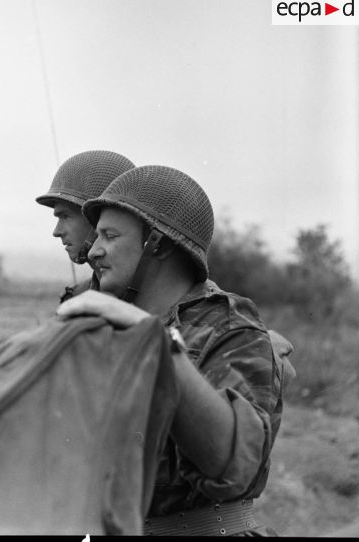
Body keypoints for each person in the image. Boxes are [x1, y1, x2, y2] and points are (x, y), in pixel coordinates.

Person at [57, 165, 295, 536]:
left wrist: (158, 346)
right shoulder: (110, 328)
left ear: (159, 244)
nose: (95, 250)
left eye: (110, 235)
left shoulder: (231, 329)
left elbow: (233, 465)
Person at [36, 150, 135, 303]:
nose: (57, 232)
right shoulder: (76, 299)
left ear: (98, 217)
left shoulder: (160, 306)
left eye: (65, 216)